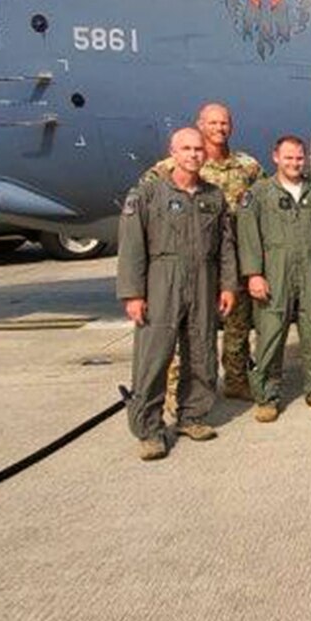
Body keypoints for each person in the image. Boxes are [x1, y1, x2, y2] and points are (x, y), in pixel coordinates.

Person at [117, 127, 238, 460]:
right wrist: (133, 294)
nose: (194, 155)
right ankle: (149, 429)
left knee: (201, 351)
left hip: (204, 277)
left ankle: (193, 415)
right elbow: (131, 246)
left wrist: (228, 285)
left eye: (198, 149)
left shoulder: (213, 197)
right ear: (172, 151)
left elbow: (226, 245)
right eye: (186, 148)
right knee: (154, 356)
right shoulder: (147, 194)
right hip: (161, 278)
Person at [144, 102, 260, 400]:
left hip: (234, 257)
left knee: (238, 324)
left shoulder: (248, 166)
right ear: (199, 124)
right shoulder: (171, 167)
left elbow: (264, 204)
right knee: (188, 327)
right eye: (213, 123)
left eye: (224, 123)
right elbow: (147, 203)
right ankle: (174, 390)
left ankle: (236, 379)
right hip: (194, 257)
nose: (219, 129)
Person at [235, 135, 311, 421]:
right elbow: (248, 237)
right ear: (276, 157)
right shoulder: (258, 194)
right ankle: (267, 396)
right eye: (289, 157)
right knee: (270, 333)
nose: (295, 162)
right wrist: (254, 274)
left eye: (299, 157)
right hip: (274, 270)